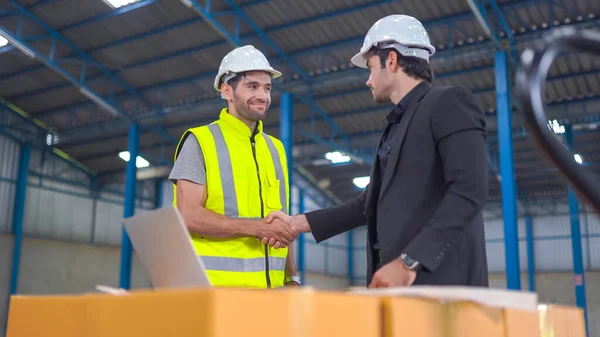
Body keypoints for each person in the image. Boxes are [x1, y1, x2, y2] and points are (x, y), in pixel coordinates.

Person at [267, 15, 489, 288]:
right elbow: (366, 205)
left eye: (371, 67)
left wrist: (410, 260)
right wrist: (296, 223)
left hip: (443, 288)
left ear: (392, 60)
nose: (368, 80)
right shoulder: (395, 127)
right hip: (396, 286)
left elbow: (470, 189)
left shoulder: (448, 103)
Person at [169, 45, 301, 289]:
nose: (263, 95)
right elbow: (187, 216)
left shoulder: (275, 149)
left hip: (271, 295)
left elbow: (281, 219)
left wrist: (291, 277)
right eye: (252, 86)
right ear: (227, 91)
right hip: (216, 292)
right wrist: (254, 228)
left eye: (267, 88)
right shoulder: (200, 141)